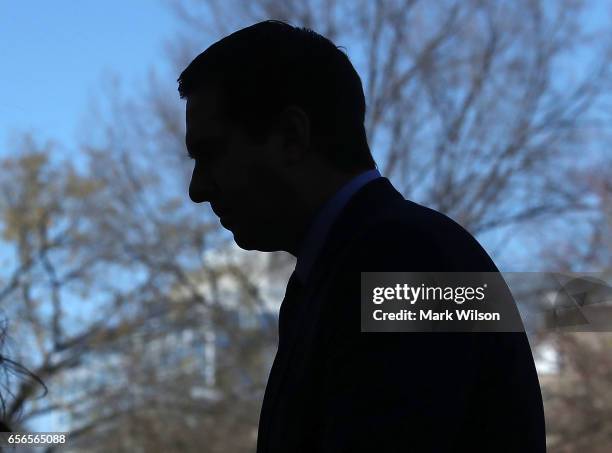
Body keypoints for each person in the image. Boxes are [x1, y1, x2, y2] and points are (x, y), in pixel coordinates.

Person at [178, 20, 546, 452]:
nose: (197, 188)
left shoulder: (407, 263)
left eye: (211, 153)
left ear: (292, 137)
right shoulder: (357, 268)